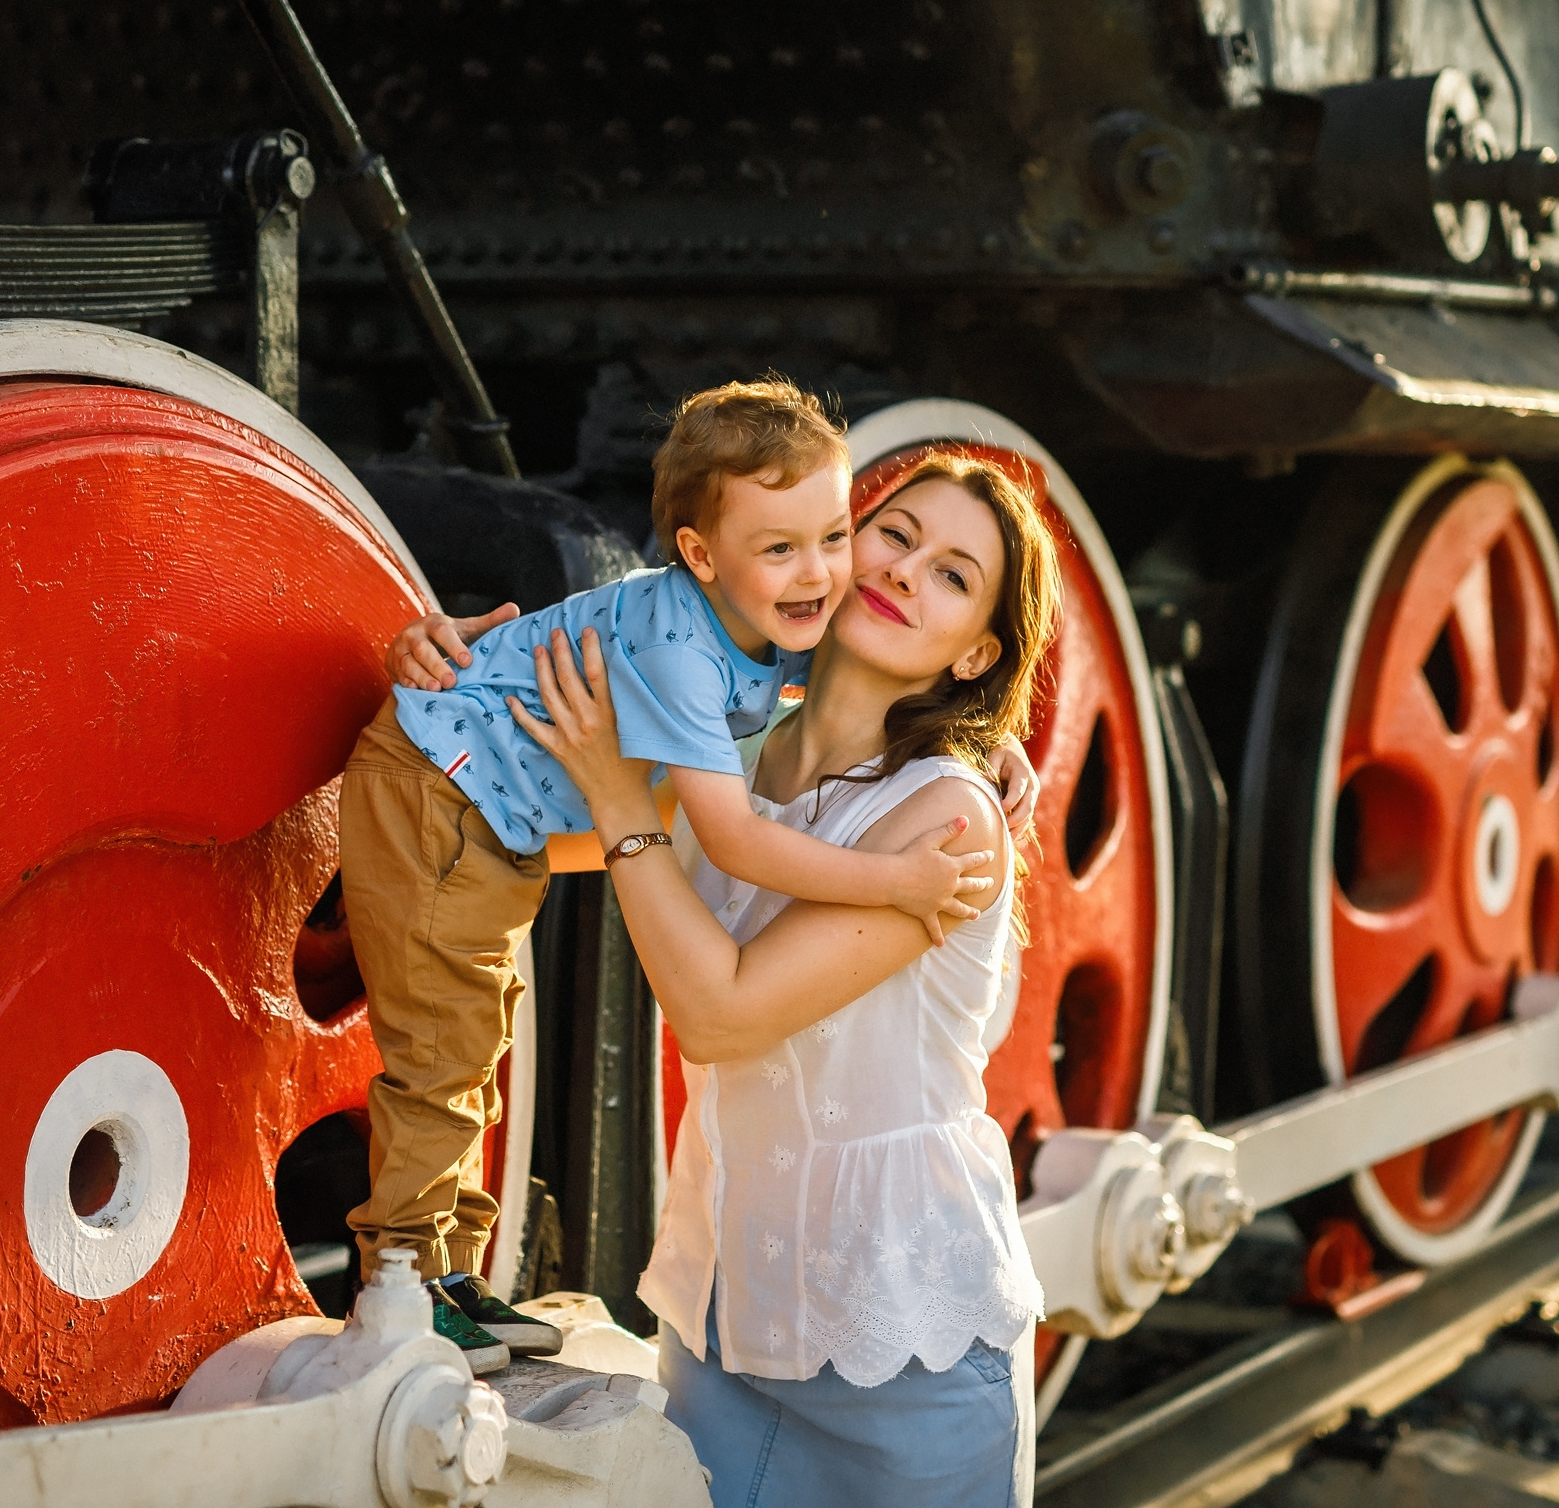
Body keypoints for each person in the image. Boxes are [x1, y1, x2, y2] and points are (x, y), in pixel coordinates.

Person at [350, 381, 1034, 1370]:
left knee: (472, 1043)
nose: (849, 571)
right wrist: (892, 883)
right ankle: (405, 1285)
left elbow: (796, 709)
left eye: (832, 538)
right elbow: (730, 843)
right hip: (445, 797)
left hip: (486, 818)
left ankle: (445, 1273)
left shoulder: (760, 646)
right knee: (447, 1051)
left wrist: (989, 736)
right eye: (890, 535)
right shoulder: (685, 653)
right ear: (706, 555)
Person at [509, 452, 1060, 1507]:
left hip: (901, 1359)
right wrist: (444, 659)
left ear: (974, 652)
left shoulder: (948, 819)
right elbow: (534, 832)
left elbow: (720, 1015)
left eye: (953, 575)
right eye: (895, 535)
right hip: (725, 1327)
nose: (906, 571)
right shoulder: (733, 746)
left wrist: (622, 798)